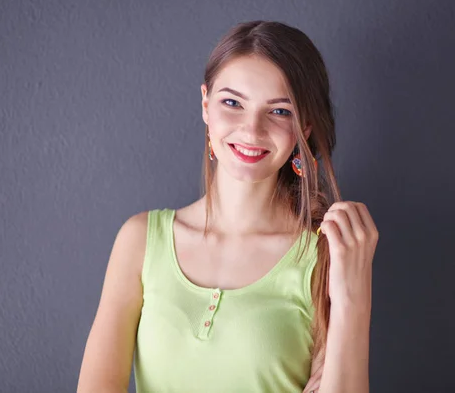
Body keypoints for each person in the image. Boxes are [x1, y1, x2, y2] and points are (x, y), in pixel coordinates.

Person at [77, 20, 378, 393]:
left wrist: (353, 299)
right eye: (232, 102)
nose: (252, 130)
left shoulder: (326, 254)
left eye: (280, 111)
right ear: (206, 105)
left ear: (307, 125)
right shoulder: (139, 240)